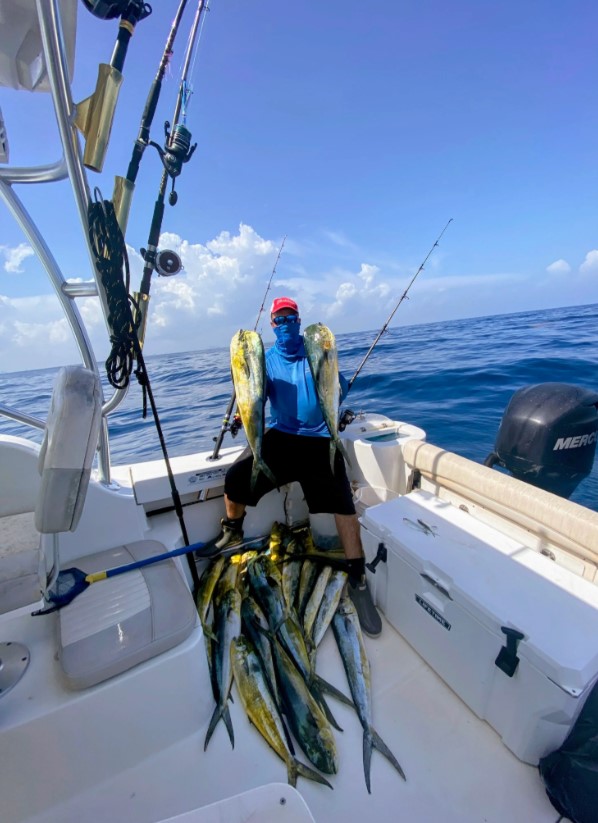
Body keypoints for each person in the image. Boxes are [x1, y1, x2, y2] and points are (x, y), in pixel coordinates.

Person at [210, 296, 382, 638]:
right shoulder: (266, 360)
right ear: (272, 325)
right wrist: (242, 379)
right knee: (235, 478)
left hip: (321, 440)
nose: (286, 324)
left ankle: (358, 577)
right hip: (282, 437)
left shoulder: (317, 352)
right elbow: (254, 396)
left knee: (344, 505)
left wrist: (337, 376)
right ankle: (233, 532)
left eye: (291, 318)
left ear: (299, 321)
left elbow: (338, 389)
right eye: (280, 320)